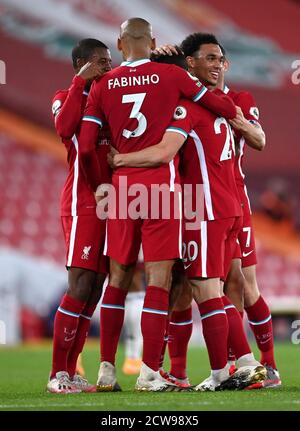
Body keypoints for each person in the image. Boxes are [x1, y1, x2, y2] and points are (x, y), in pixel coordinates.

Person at [78, 18, 237, 392]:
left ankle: (106, 370)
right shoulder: (173, 78)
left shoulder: (102, 84)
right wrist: (236, 116)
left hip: (120, 191)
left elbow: (86, 146)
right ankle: (150, 373)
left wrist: (100, 185)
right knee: (159, 281)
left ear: (119, 44)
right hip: (161, 190)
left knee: (117, 281)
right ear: (151, 41)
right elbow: (214, 101)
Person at [108, 34, 267, 391]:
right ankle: (222, 368)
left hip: (204, 207)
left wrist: (120, 159)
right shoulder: (221, 105)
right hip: (228, 206)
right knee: (212, 286)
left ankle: (237, 367)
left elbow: (165, 152)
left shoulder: (186, 110)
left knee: (206, 287)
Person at [47, 39, 112, 393]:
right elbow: (64, 129)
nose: (108, 66)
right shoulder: (65, 94)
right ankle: (57, 374)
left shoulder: (110, 96)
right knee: (81, 284)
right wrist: (79, 83)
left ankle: (71, 372)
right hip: (83, 201)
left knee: (95, 291)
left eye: (109, 60)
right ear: (81, 64)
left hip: (114, 203)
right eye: (101, 61)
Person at [217, 46, 281, 388]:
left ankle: (268, 364)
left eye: (218, 60)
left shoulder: (240, 98)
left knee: (242, 281)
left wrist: (234, 116)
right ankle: (231, 362)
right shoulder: (187, 96)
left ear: (226, 64)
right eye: (206, 59)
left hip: (234, 199)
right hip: (197, 200)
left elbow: (259, 139)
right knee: (206, 284)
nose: (214, 66)